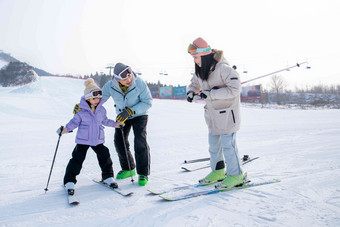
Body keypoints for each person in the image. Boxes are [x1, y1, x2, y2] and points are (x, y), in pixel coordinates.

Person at [186, 37, 244, 188]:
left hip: (227, 115)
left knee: (228, 145)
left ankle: (236, 175)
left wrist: (211, 94)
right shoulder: (201, 70)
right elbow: (195, 83)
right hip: (213, 115)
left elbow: (235, 89)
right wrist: (191, 92)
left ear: (204, 56)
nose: (195, 60)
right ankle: (218, 171)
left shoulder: (224, 69)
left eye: (196, 57)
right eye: (193, 57)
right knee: (213, 145)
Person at [63, 78, 121, 194]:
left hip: (97, 139)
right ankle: (69, 181)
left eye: (99, 98)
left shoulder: (101, 110)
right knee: (77, 159)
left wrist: (115, 124)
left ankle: (108, 177)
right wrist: (66, 129)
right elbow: (74, 122)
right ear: (88, 98)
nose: (97, 100)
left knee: (105, 155)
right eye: (94, 98)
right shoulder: (81, 111)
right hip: (83, 140)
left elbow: (105, 121)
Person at [101, 62, 152, 186]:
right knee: (119, 141)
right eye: (124, 79)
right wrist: (84, 106)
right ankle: (128, 168)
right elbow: (98, 99)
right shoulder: (110, 86)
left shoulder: (139, 83)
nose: (129, 80)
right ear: (117, 79)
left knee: (140, 141)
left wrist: (130, 111)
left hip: (139, 114)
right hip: (122, 115)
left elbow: (148, 102)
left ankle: (143, 173)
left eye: (129, 76)